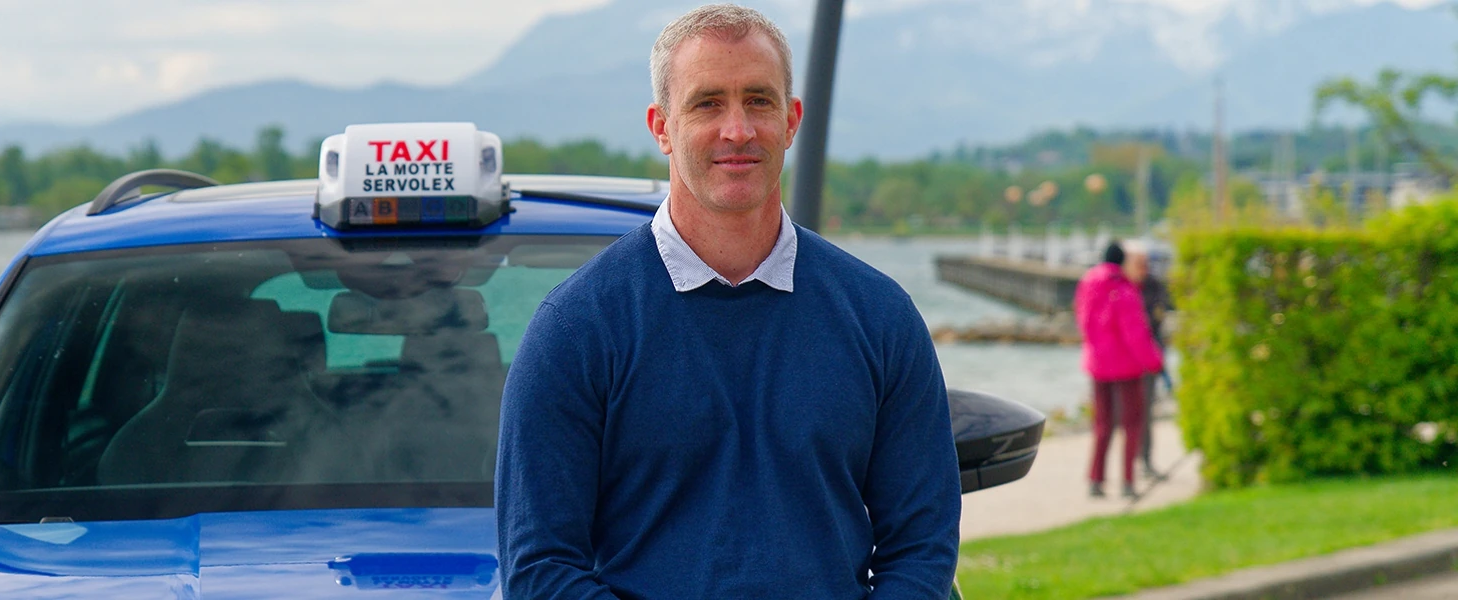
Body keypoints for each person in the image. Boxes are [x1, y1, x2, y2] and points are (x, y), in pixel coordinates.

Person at [495, 4, 961, 598]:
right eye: (708, 102)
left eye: (759, 101)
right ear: (661, 126)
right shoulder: (576, 330)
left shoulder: (881, 318)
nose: (737, 129)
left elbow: (922, 549)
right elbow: (541, 568)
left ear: (792, 120)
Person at [1075, 241, 1165, 499]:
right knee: (1131, 425)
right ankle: (1127, 481)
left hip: (1097, 364)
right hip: (1126, 367)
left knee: (1102, 424)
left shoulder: (1088, 282)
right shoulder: (1124, 289)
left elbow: (1082, 319)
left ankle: (1096, 479)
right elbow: (1135, 333)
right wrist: (1154, 362)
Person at [1125, 243, 1174, 480]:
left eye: (1145, 263)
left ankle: (1144, 461)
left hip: (1148, 358)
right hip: (1125, 360)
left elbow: (1157, 320)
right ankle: (1126, 466)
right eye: (1138, 263)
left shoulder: (1154, 287)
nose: (1143, 268)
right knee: (1125, 415)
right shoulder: (1123, 287)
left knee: (1145, 413)